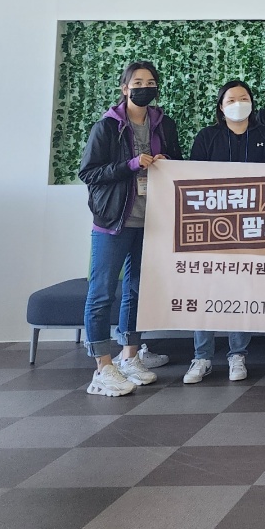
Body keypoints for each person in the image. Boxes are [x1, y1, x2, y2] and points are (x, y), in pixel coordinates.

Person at [79, 60, 181, 396]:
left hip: (152, 221)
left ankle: (129, 356)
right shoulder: (107, 127)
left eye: (150, 82)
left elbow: (179, 164)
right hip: (113, 221)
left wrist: (167, 163)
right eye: (138, 82)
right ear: (125, 88)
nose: (144, 88)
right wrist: (131, 165)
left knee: (137, 291)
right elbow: (89, 172)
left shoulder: (164, 124)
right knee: (102, 292)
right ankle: (102, 367)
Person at [185, 80, 265, 384]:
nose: (238, 104)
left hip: (253, 225)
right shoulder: (207, 137)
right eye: (231, 100)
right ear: (221, 107)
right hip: (212, 225)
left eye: (243, 98)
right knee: (205, 288)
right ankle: (202, 357)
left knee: (242, 287)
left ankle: (238, 355)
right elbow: (192, 179)